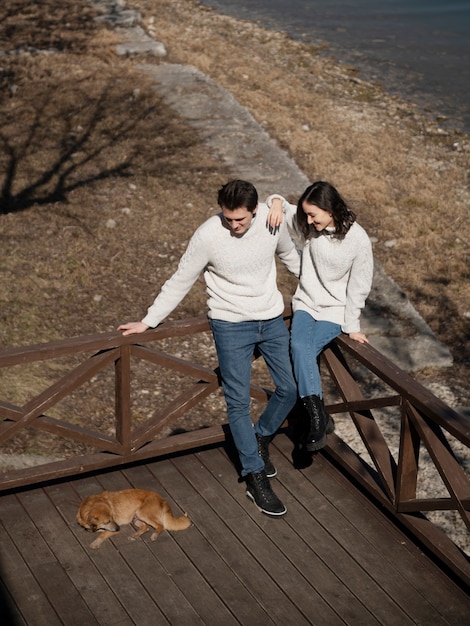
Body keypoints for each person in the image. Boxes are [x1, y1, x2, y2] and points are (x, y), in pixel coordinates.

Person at [118, 180, 300, 517]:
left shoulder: (271, 220)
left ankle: (260, 438)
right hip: (230, 325)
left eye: (241, 220)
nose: (234, 226)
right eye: (228, 219)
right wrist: (149, 320)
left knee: (289, 388)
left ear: (255, 210)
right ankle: (254, 474)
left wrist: (324, 297)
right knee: (237, 400)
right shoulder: (207, 235)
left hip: (272, 319)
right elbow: (181, 278)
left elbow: (291, 256)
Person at [267, 181, 373, 452]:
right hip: (306, 303)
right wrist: (277, 201)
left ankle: (316, 420)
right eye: (307, 215)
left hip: (335, 309)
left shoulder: (357, 239)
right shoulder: (309, 224)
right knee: (299, 346)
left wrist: (352, 325)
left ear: (330, 209)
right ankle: (319, 417)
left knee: (306, 349)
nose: (309, 220)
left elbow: (360, 285)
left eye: (314, 214)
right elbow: (280, 204)